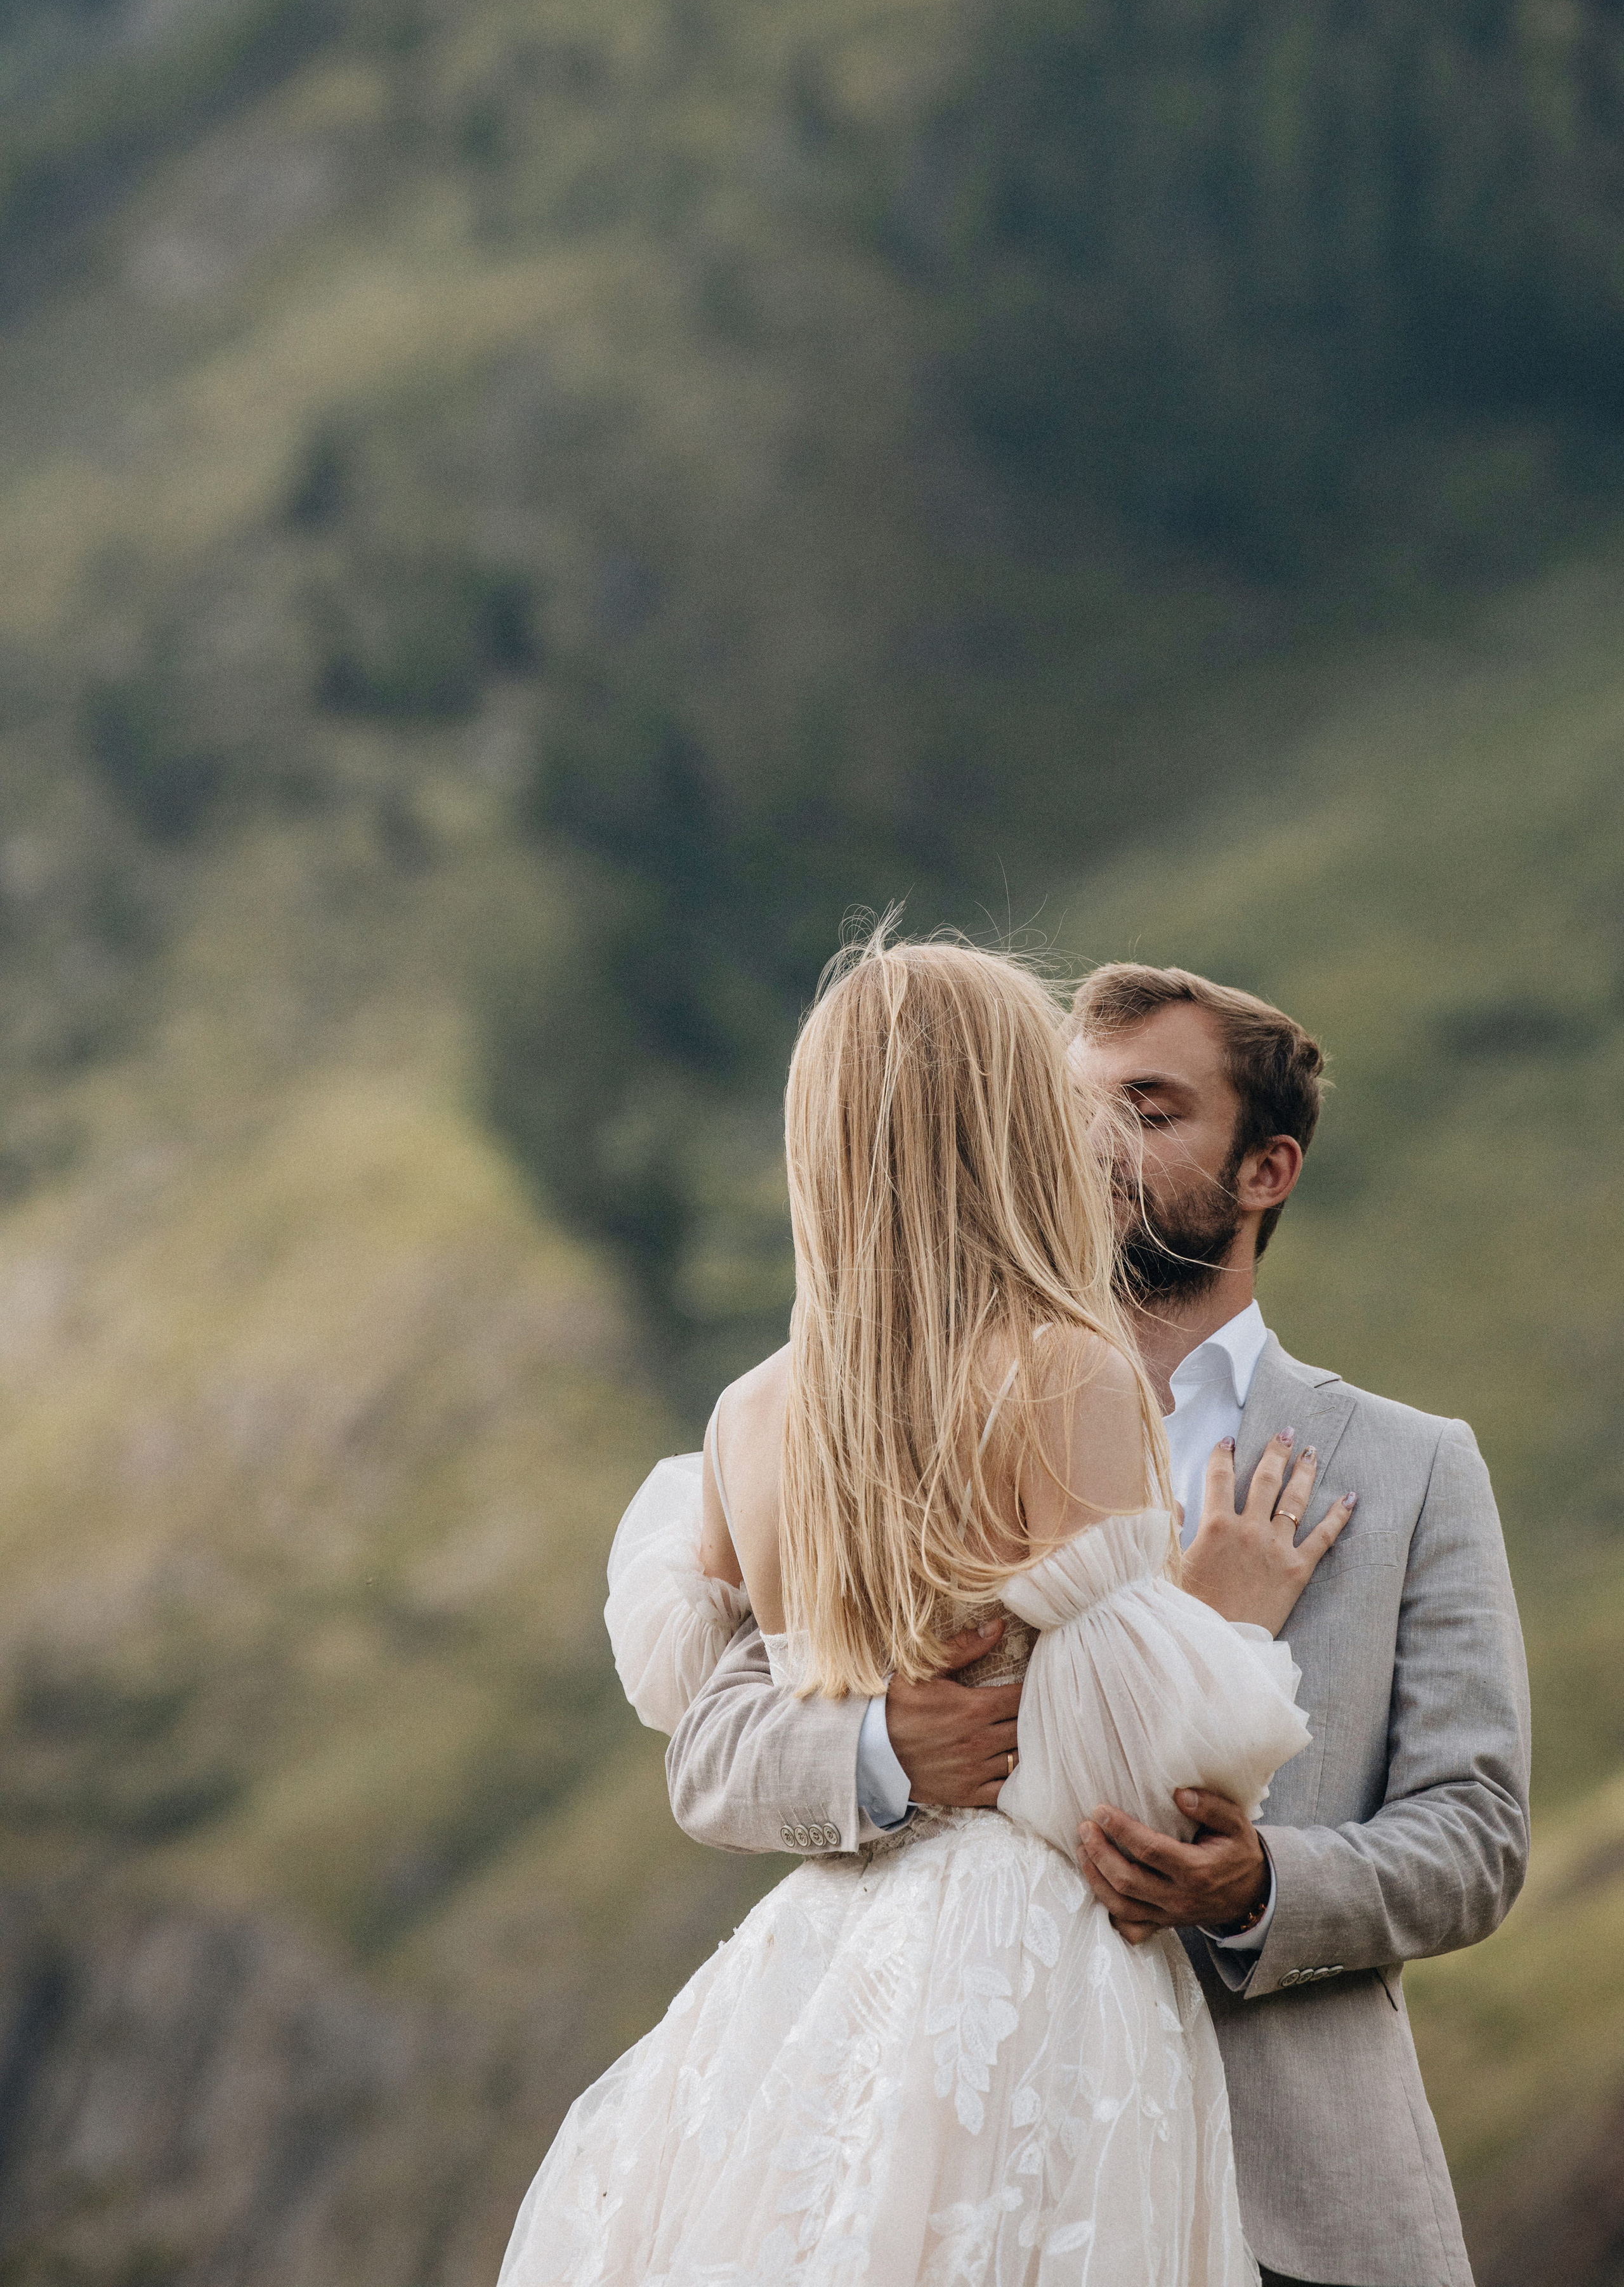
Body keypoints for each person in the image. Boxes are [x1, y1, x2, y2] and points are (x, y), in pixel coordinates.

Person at [666, 964, 1531, 2287]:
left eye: (1148, 1106)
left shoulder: (1410, 1467)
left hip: (1293, 2201)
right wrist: (884, 1751)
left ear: (1264, 1169)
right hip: (973, 2170)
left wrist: (1259, 1887)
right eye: (1072, 1104)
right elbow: (710, 1750)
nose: (1094, 1142)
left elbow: (1473, 1838)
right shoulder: (865, 1412)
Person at [499, 935, 1338, 2285]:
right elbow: (1116, 1786)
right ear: (1010, 1120)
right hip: (1014, 1971)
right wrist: (1221, 1618)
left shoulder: (749, 1412)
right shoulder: (1064, 1370)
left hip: (816, 1962)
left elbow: (704, 1707)